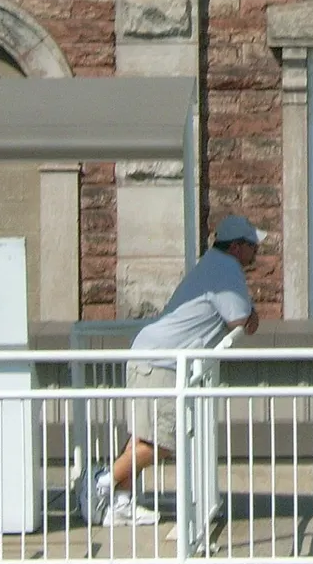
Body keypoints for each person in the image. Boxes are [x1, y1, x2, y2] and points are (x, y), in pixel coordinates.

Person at [87, 214, 264, 526]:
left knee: (143, 437)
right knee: (165, 442)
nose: (257, 254)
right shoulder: (227, 269)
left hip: (152, 356)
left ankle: (122, 505)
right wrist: (251, 313)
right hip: (162, 362)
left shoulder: (213, 263)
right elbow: (241, 322)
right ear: (237, 247)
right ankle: (102, 483)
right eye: (253, 247)